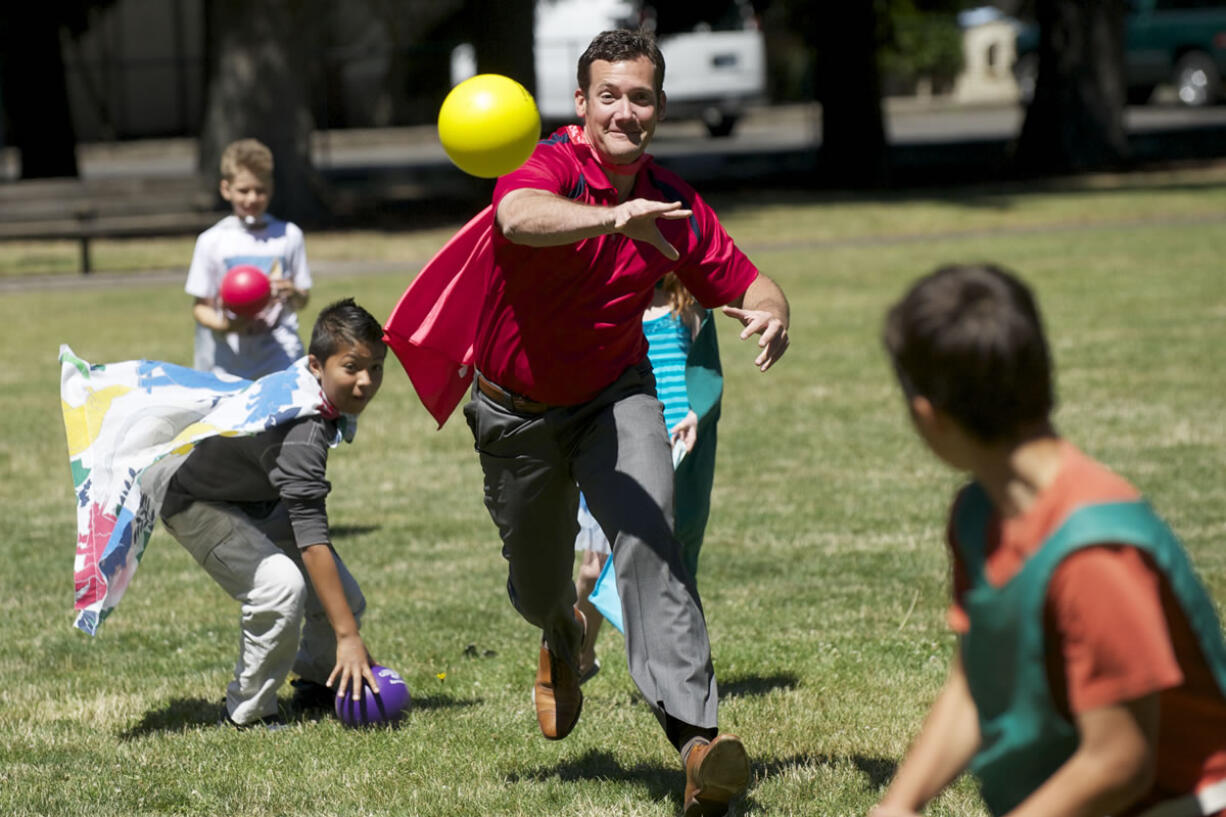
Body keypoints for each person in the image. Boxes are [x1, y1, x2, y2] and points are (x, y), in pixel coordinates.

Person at [455, 28, 790, 817]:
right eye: (610, 95)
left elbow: (748, 277)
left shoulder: (676, 204)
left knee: (650, 539)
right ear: (582, 103)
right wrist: (611, 220)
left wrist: (773, 311)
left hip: (615, 395)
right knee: (536, 579)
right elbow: (517, 216)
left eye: (641, 97)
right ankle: (563, 637)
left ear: (660, 107)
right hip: (515, 412)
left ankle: (699, 745)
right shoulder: (550, 166)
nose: (625, 111)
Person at [871, 263, 1226, 817]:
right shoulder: (978, 515)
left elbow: (1118, 762)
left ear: (928, 416)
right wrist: (898, 803)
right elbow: (975, 676)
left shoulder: (1094, 552)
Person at [158, 298, 387, 728]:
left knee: (344, 599)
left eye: (376, 367)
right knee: (279, 589)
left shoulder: (309, 389)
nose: (366, 382)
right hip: (200, 503)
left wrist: (346, 627)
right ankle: (249, 712)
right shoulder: (301, 432)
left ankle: (322, 680)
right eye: (352, 367)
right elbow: (313, 539)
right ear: (316, 365)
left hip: (256, 498)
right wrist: (348, 637)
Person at [573, 271, 723, 683]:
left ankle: (679, 672)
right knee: (592, 569)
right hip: (620, 447)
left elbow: (703, 368)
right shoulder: (615, 307)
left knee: (663, 564)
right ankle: (578, 655)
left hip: (672, 449)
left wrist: (696, 414)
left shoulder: (684, 303)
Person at [185, 138, 312, 380]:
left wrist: (293, 292)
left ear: (271, 189)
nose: (252, 198)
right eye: (243, 191)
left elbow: (303, 299)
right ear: (226, 189)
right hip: (228, 358)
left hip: (280, 354)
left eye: (260, 190)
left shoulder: (289, 235)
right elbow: (201, 306)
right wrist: (226, 326)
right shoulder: (211, 241)